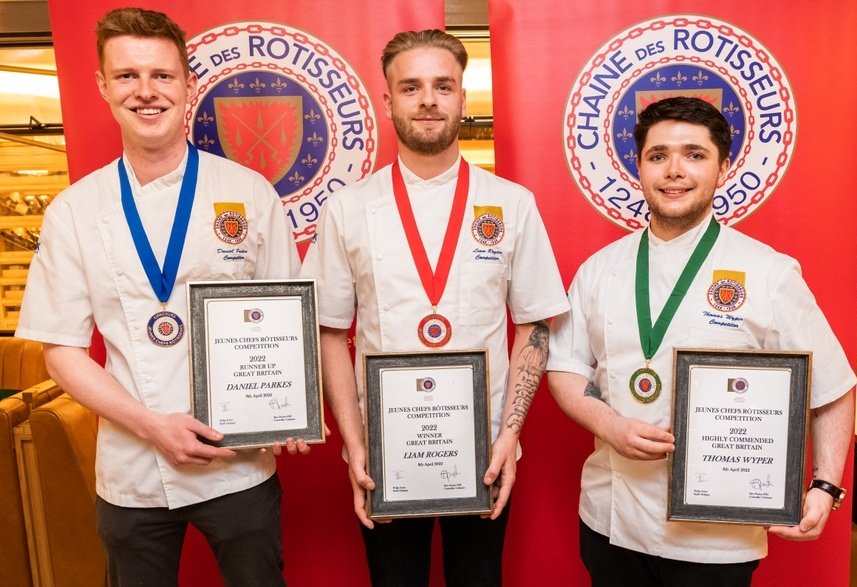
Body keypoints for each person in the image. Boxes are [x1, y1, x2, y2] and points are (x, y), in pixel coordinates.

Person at [15, 7, 303, 586]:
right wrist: (153, 425)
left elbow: (287, 320)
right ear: (102, 86)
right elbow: (62, 352)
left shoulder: (247, 193)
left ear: (188, 84)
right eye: (126, 76)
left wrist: (289, 406)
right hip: (132, 470)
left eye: (162, 76)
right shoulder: (74, 209)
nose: (146, 92)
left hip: (237, 468)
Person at [547, 96, 855, 586]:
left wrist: (824, 485)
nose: (674, 171)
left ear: (723, 167)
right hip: (610, 518)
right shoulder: (599, 270)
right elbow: (566, 367)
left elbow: (832, 387)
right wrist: (608, 423)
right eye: (657, 156)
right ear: (639, 167)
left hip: (717, 536)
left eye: (694, 154)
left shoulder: (769, 273)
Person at [301, 29, 569, 586]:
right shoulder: (348, 209)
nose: (428, 100)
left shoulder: (511, 204)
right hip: (385, 452)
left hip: (485, 450)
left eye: (443, 86)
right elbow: (328, 331)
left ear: (463, 99)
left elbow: (535, 325)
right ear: (389, 100)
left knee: (479, 578)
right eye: (411, 87)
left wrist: (509, 436)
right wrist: (355, 445)